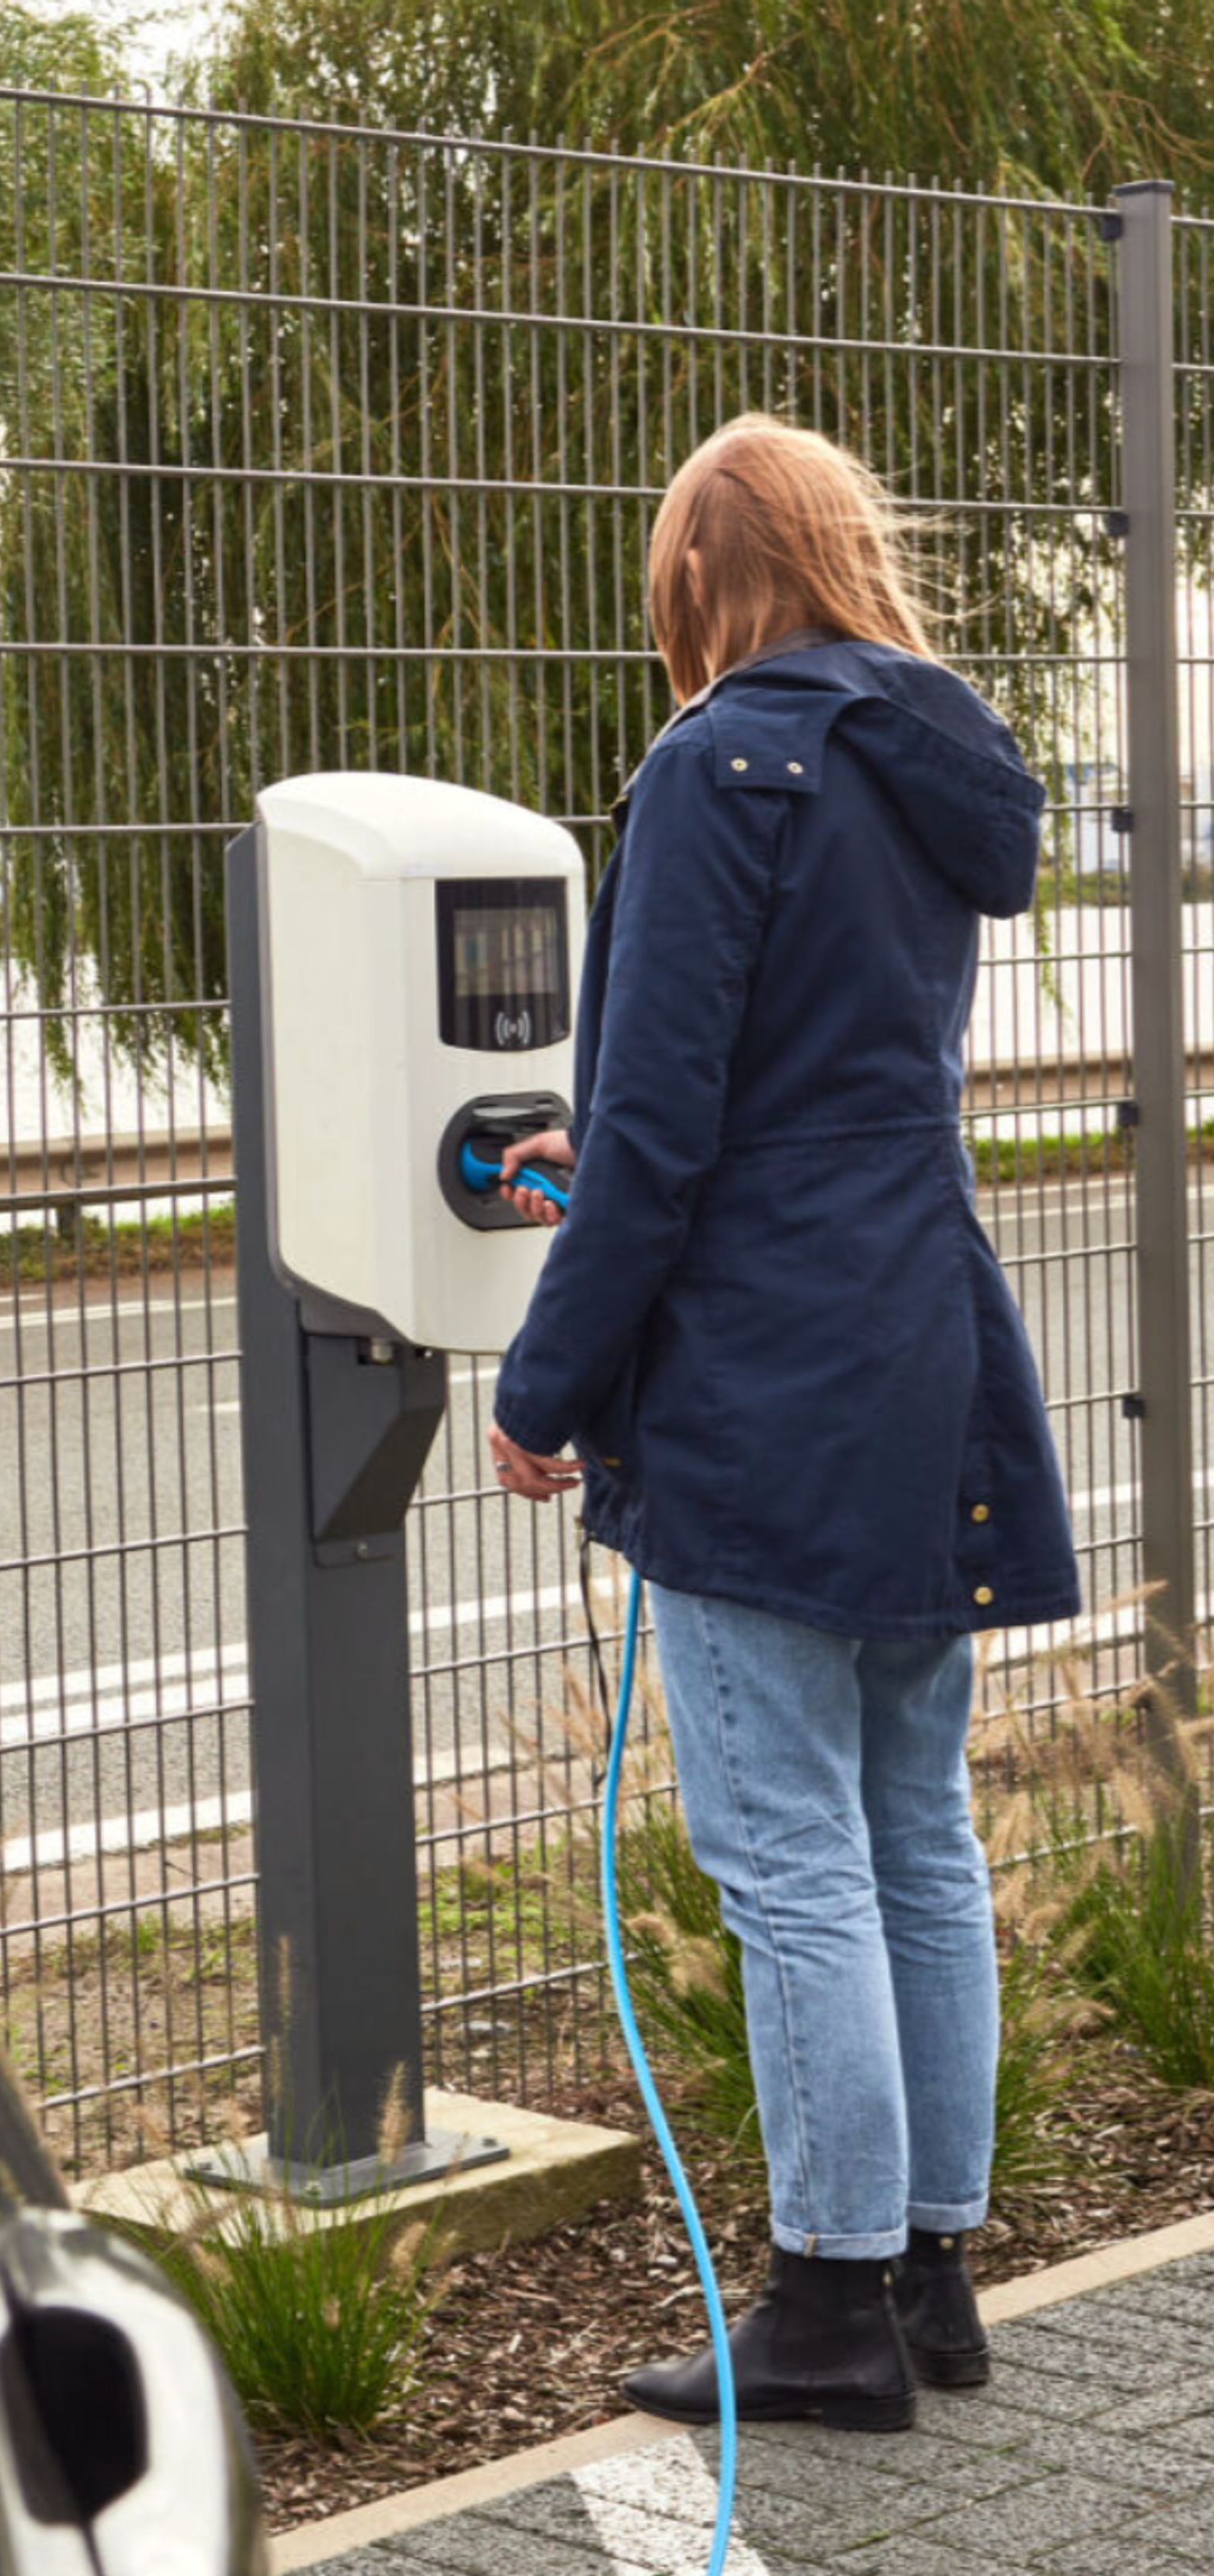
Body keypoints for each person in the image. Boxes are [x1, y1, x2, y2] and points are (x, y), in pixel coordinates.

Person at [485, 415, 1079, 2433]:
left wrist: (544, 1385)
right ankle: (929, 2275)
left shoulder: (710, 762)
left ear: (694, 588)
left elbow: (657, 1136)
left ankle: (821, 2313)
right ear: (845, 556)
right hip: (925, 1329)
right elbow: (808, 1072)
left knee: (786, 1845)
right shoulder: (940, 772)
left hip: (762, 1369)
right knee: (914, 1821)